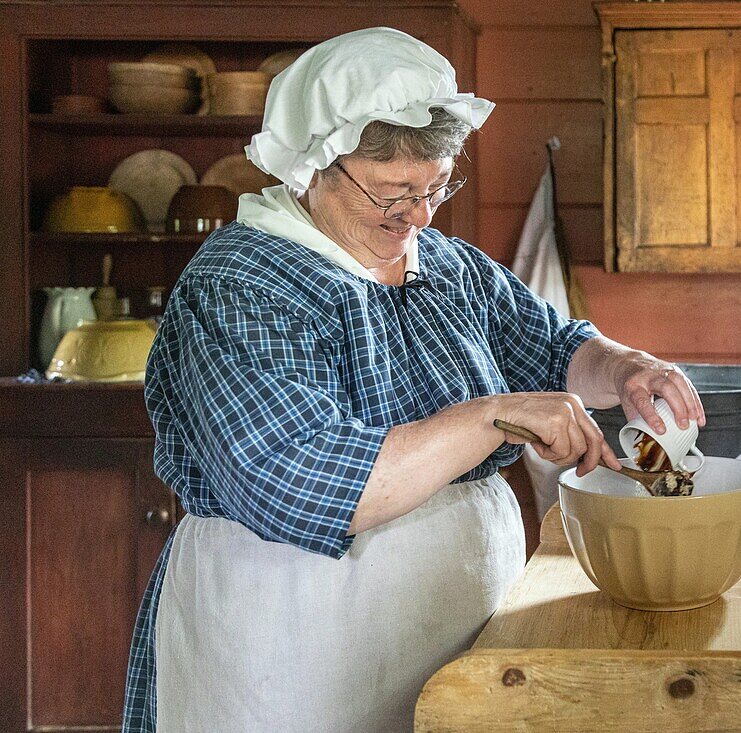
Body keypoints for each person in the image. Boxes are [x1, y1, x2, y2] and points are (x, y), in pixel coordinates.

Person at [122, 27, 705, 732]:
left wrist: (623, 366)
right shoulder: (239, 286)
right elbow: (300, 476)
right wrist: (494, 416)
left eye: (435, 187)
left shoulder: (447, 266)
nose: (422, 216)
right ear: (313, 166)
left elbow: (554, 349)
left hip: (448, 639)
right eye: (396, 193)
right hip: (293, 645)